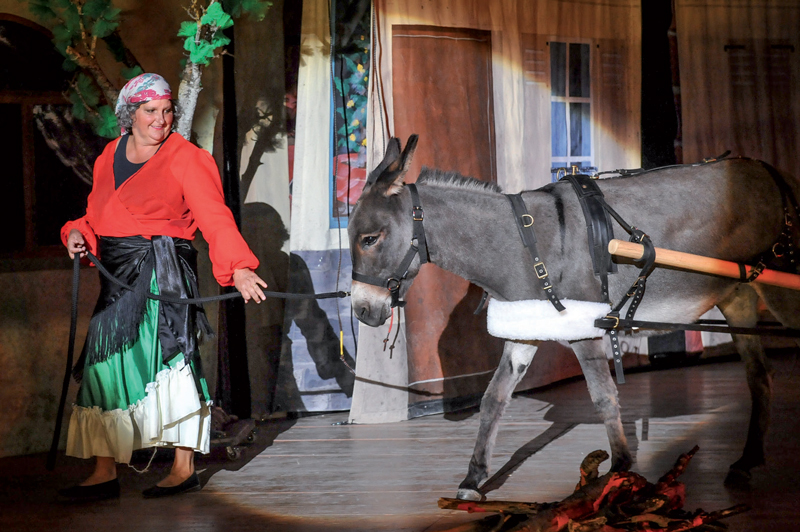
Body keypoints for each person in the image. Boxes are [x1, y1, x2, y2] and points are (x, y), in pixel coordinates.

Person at [58, 73, 268, 500]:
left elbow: (214, 216)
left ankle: (183, 465)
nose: (161, 119)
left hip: (162, 270)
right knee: (105, 365)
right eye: (150, 111)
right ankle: (103, 470)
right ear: (129, 114)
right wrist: (78, 234)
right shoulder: (107, 156)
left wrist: (240, 268)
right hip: (117, 272)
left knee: (167, 360)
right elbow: (97, 215)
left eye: (167, 110)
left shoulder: (186, 158)